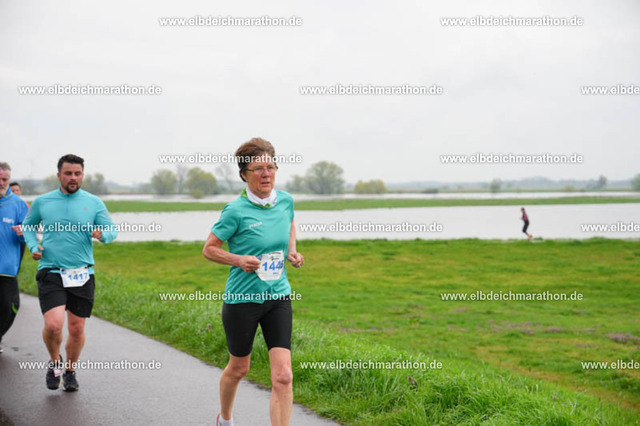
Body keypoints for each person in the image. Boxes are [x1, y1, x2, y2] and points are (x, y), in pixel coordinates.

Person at [203, 138, 304, 426]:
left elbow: (290, 222)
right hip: (242, 300)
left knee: (283, 375)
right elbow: (209, 249)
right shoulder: (234, 210)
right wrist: (238, 260)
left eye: (270, 167)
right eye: (258, 168)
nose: (266, 173)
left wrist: (292, 251)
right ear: (244, 174)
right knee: (239, 368)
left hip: (278, 296)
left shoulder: (285, 200)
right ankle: (225, 418)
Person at [22, 154, 117, 391]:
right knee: (54, 326)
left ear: (82, 175)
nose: (73, 178)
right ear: (59, 175)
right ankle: (55, 363)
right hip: (51, 271)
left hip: (81, 273)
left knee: (77, 329)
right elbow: (28, 226)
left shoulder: (93, 202)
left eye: (77, 173)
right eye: (68, 173)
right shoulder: (43, 201)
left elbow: (111, 230)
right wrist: (34, 246)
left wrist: (102, 234)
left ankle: (70, 371)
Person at [0, 164, 30, 354]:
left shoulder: (19, 204)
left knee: (11, 307)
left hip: (6, 268)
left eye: (5, 179)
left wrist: (23, 233)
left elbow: (29, 235)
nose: (1, 183)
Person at [9, 182, 29, 273]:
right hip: (9, 237)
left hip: (21, 237)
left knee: (18, 261)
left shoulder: (25, 205)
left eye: (17, 190)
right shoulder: (5, 205)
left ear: (20, 191)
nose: (15, 192)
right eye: (13, 191)